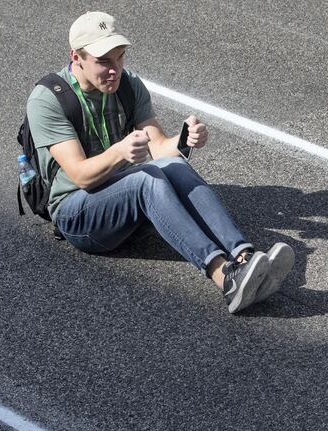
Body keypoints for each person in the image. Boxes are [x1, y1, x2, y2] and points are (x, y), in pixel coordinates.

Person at [26, 11, 294, 313]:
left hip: (123, 198)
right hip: (76, 213)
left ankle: (244, 257)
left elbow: (161, 149)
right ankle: (225, 278)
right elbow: (80, 176)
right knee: (145, 179)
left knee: (173, 166)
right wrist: (119, 152)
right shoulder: (48, 99)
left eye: (120, 58)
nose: (115, 70)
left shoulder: (127, 85)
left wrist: (185, 140)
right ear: (76, 57)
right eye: (104, 62)